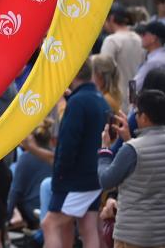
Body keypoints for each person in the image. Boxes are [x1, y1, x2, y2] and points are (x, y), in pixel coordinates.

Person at [42, 59, 109, 248]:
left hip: (74, 179)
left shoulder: (78, 102)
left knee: (50, 224)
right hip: (95, 175)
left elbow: (69, 143)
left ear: (73, 74)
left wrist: (61, 173)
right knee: (88, 228)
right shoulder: (99, 99)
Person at [98, 89, 165, 248]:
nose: (135, 116)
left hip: (132, 235)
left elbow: (106, 180)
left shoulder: (131, 149)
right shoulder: (133, 147)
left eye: (137, 112)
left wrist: (105, 150)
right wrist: (128, 138)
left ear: (145, 117)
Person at [101, 8, 145, 111]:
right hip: (134, 97)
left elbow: (103, 69)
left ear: (111, 18)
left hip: (115, 100)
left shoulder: (111, 40)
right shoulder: (139, 40)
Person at [134, 21, 165, 91]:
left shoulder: (154, 61)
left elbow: (135, 86)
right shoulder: (160, 57)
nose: (141, 37)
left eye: (144, 34)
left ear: (153, 38)